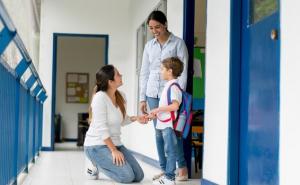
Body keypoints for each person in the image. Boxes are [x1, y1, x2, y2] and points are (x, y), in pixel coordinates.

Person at [139, 10, 189, 181]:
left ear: (165, 24)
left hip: (170, 95)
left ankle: (181, 168)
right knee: (159, 133)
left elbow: (183, 73)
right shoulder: (149, 46)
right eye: (151, 28)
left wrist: (177, 94)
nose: (155, 31)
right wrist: (142, 98)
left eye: (157, 27)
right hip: (152, 93)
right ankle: (165, 168)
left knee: (173, 132)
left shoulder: (178, 43)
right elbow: (144, 73)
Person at [84, 64, 147, 183]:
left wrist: (136, 118)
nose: (121, 75)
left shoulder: (121, 96)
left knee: (138, 175)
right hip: (96, 145)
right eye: (118, 74)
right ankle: (95, 163)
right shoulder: (99, 98)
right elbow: (102, 129)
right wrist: (113, 150)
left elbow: (121, 120)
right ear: (110, 82)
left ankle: (103, 161)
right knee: (127, 176)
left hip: (116, 143)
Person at [148, 57, 184, 185]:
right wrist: (155, 114)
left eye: (162, 69)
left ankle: (169, 178)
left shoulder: (174, 86)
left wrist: (157, 109)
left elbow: (175, 106)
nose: (160, 71)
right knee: (167, 150)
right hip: (164, 123)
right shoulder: (169, 85)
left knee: (170, 151)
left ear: (170, 71)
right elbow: (168, 107)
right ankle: (167, 176)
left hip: (169, 125)